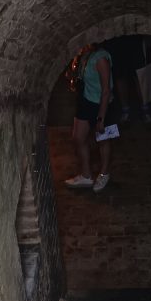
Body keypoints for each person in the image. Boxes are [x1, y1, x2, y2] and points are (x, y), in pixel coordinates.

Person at [65, 42, 114, 193]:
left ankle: (104, 173)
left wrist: (101, 118)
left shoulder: (101, 58)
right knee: (78, 137)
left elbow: (106, 90)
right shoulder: (83, 54)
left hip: (103, 104)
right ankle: (86, 175)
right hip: (86, 100)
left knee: (103, 140)